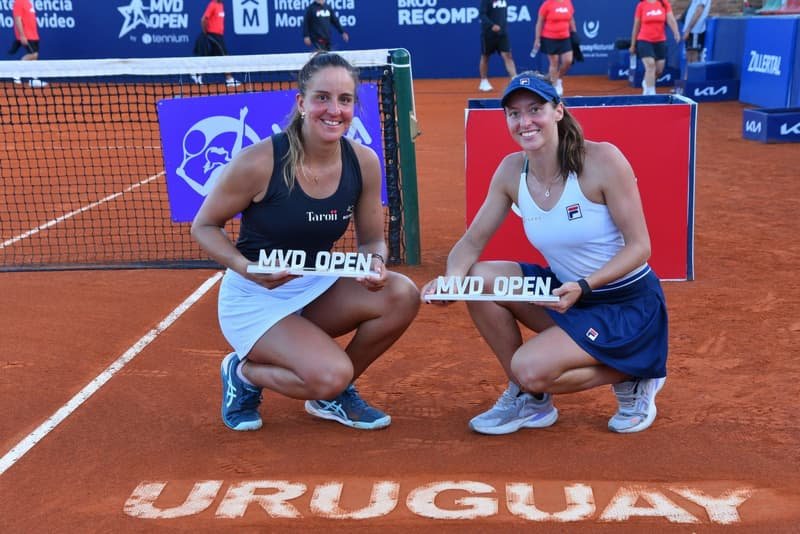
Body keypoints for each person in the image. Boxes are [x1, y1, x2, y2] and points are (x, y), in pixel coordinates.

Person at [422, 71, 669, 436]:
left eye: (535, 109)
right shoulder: (511, 170)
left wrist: (584, 286)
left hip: (624, 305)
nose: (525, 122)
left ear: (558, 111)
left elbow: (640, 247)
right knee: (477, 280)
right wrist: (452, 282)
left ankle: (636, 373)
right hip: (567, 295)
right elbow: (471, 243)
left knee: (529, 367)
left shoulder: (602, 160)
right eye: (514, 114)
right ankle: (531, 400)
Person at [191, 52, 420, 432]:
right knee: (329, 373)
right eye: (322, 98)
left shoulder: (363, 162)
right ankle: (244, 373)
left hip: (314, 285)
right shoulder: (259, 162)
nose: (334, 110)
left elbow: (373, 241)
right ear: (301, 103)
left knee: (402, 293)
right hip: (255, 297)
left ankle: (333, 393)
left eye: (345, 100)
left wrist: (375, 263)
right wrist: (248, 269)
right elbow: (204, 226)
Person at [629, 0, 681, 95]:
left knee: (659, 70)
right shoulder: (641, 5)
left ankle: (646, 82)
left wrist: (676, 32)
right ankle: (651, 93)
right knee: (650, 65)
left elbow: (670, 19)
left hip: (660, 41)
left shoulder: (664, 3)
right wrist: (633, 44)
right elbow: (636, 26)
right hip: (644, 40)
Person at [532, 0, 576, 97]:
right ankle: (555, 85)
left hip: (565, 37)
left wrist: (574, 32)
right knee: (554, 63)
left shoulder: (568, 2)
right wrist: (537, 39)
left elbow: (571, 19)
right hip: (550, 38)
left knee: (568, 61)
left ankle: (558, 78)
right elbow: (540, 22)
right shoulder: (547, 4)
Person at [192, 0, 240, 87]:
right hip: (213, 35)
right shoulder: (212, 4)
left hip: (219, 35)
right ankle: (229, 79)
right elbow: (203, 19)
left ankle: (197, 73)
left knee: (210, 58)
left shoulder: (221, 5)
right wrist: (205, 33)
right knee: (224, 56)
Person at [478, 0, 517, 92]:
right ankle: (484, 81)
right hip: (488, 34)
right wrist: (491, 25)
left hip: (502, 33)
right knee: (485, 57)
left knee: (507, 55)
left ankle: (515, 80)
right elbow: (482, 15)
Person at [8, 0, 46, 87]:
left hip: (34, 35)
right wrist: (22, 35)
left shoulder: (28, 2)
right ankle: (16, 73)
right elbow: (17, 19)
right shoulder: (18, 2)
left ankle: (34, 79)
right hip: (26, 35)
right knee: (33, 55)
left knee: (34, 59)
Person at [681, 0, 713, 76]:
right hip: (690, 30)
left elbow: (699, 11)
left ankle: (692, 82)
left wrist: (688, 29)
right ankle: (686, 82)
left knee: (693, 58)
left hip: (695, 30)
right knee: (689, 58)